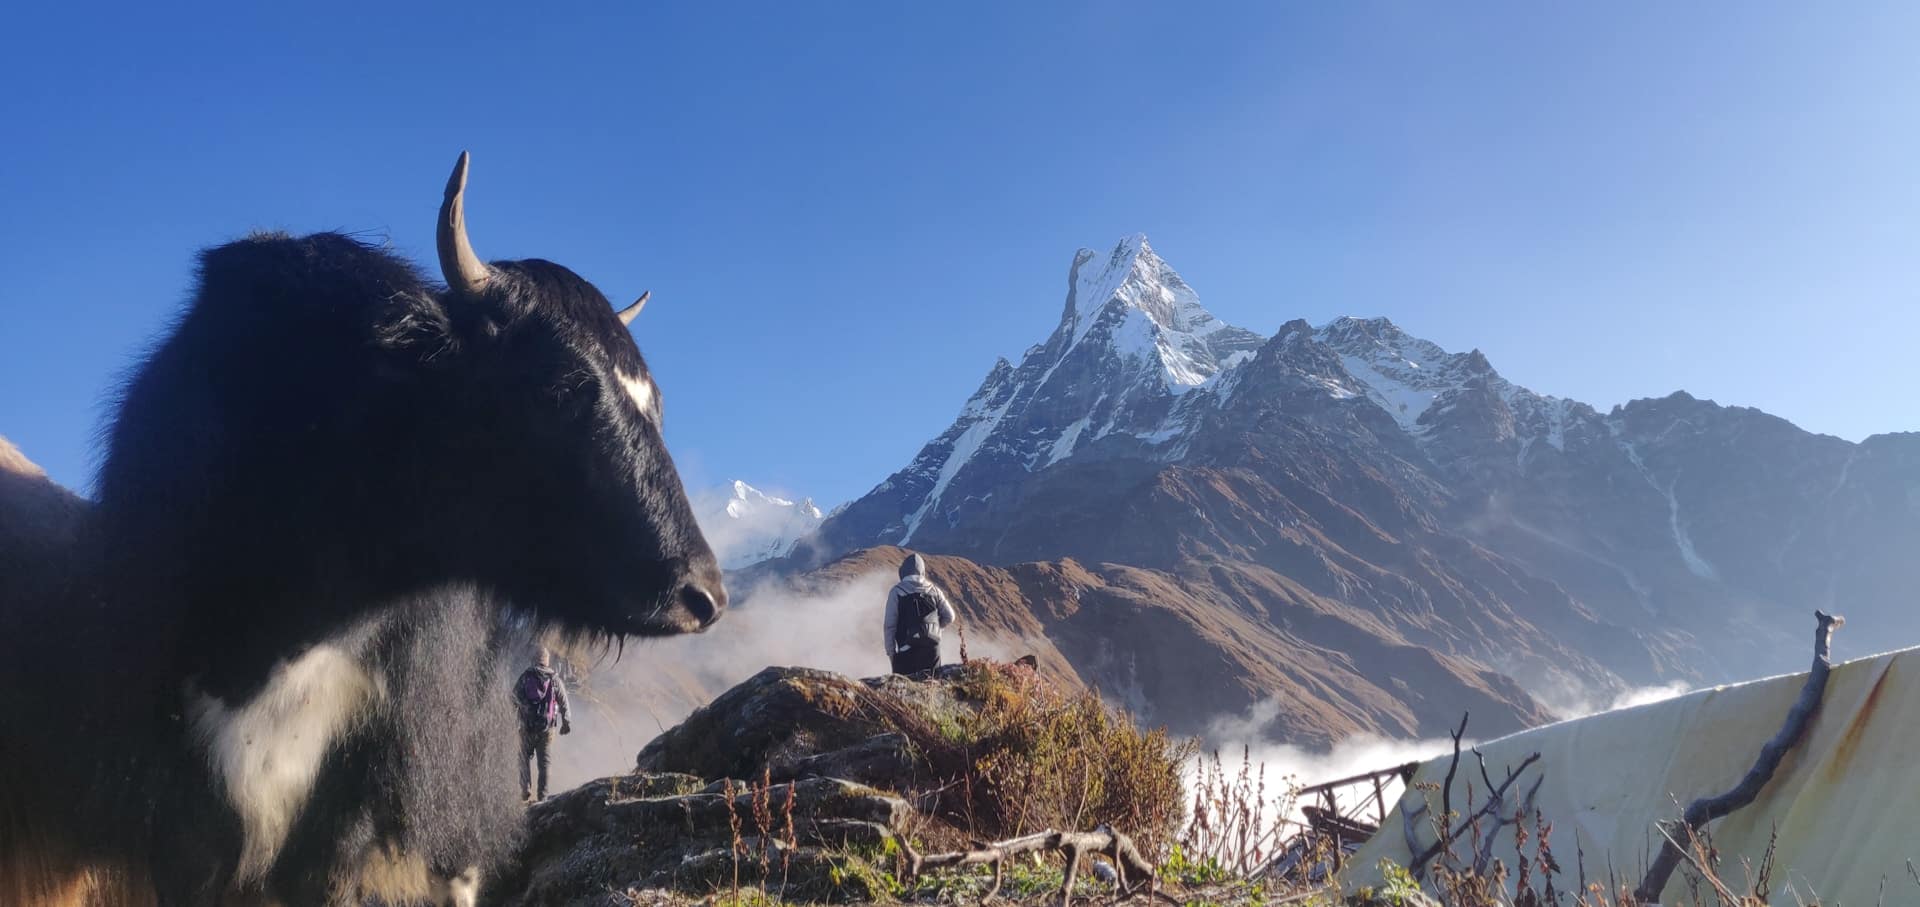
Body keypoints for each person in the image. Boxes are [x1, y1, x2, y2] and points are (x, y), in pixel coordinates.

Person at [514, 647, 572, 802]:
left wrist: (513, 720)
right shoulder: (554, 679)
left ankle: (525, 788)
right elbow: (564, 702)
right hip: (547, 729)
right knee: (544, 763)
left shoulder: (526, 676)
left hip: (527, 727)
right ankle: (542, 798)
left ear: (534, 659)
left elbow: (513, 698)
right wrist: (566, 722)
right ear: (546, 660)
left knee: (523, 757)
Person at [883, 553, 956, 675]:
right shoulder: (934, 590)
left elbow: (889, 626)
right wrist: (937, 629)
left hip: (905, 650)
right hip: (932, 648)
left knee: (906, 690)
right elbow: (950, 616)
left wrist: (892, 655)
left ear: (903, 572)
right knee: (931, 686)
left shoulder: (897, 591)